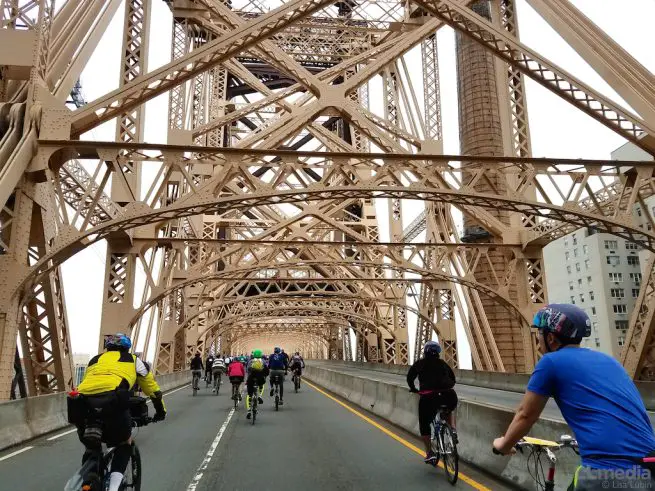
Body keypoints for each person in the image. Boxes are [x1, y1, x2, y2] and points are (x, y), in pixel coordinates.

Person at [493, 303, 655, 490]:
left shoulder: (550, 362)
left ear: (551, 338)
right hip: (648, 466)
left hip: (607, 472)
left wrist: (504, 444)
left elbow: (525, 415)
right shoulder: (609, 361)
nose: (538, 341)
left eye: (539, 334)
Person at [69, 333, 166, 491]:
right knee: (124, 442)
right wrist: (161, 410)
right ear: (127, 348)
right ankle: (113, 487)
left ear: (107, 347)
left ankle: (86, 478)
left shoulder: (95, 359)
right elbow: (152, 389)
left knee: (91, 446)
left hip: (81, 404)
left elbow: (89, 383)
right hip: (112, 403)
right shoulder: (134, 360)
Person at [407, 340, 457, 464]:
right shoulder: (443, 364)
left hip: (428, 397)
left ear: (425, 352)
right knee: (448, 409)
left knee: (424, 425)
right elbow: (453, 379)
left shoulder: (420, 364)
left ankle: (430, 453)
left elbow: (409, 378)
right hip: (448, 395)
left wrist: (414, 389)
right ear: (439, 353)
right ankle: (453, 430)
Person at [246, 349, 269, 419]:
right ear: (261, 355)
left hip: (251, 379)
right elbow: (266, 371)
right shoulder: (264, 361)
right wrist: (264, 376)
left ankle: (249, 410)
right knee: (261, 385)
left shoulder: (250, 361)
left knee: (249, 395)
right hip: (260, 379)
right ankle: (260, 396)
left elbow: (247, 370)